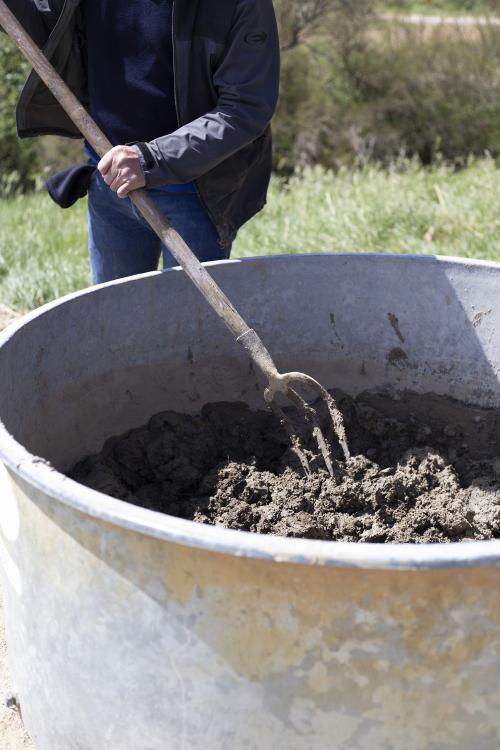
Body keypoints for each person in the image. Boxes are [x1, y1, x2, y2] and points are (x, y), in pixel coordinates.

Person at [4, 0, 280, 283]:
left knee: (189, 321)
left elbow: (245, 107)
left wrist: (151, 160)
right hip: (109, 178)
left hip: (195, 192)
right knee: (117, 316)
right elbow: (46, 25)